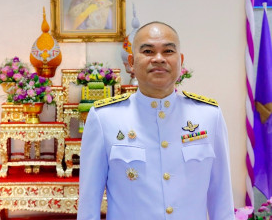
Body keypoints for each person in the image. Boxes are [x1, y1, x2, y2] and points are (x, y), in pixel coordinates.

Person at [77, 21, 235, 220]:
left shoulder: (208, 116)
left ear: (180, 60)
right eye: (148, 51)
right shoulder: (104, 118)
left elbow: (221, 197)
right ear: (131, 63)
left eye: (168, 51)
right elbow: (89, 204)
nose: (159, 58)